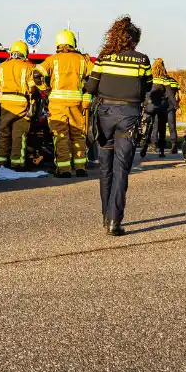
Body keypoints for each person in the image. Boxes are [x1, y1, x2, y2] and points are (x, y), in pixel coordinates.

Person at [84, 16, 151, 236]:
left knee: (105, 168)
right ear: (134, 40)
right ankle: (114, 220)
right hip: (129, 116)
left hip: (105, 116)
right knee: (121, 168)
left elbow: (91, 88)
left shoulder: (104, 59)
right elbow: (147, 88)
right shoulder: (142, 61)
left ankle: (105, 215)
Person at [36, 30, 94, 179]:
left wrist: (45, 89)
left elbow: (36, 74)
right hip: (76, 104)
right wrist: (87, 97)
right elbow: (93, 79)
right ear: (73, 42)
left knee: (61, 136)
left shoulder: (52, 60)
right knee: (78, 135)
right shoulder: (82, 60)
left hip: (57, 104)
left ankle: (64, 170)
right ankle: (81, 168)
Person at [0, 41, 37, 170]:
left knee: (4, 134)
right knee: (19, 135)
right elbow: (33, 89)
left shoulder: (1, 67)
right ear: (24, 53)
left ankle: (0, 162)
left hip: (5, 103)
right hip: (21, 104)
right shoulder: (28, 67)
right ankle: (17, 163)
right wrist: (33, 100)